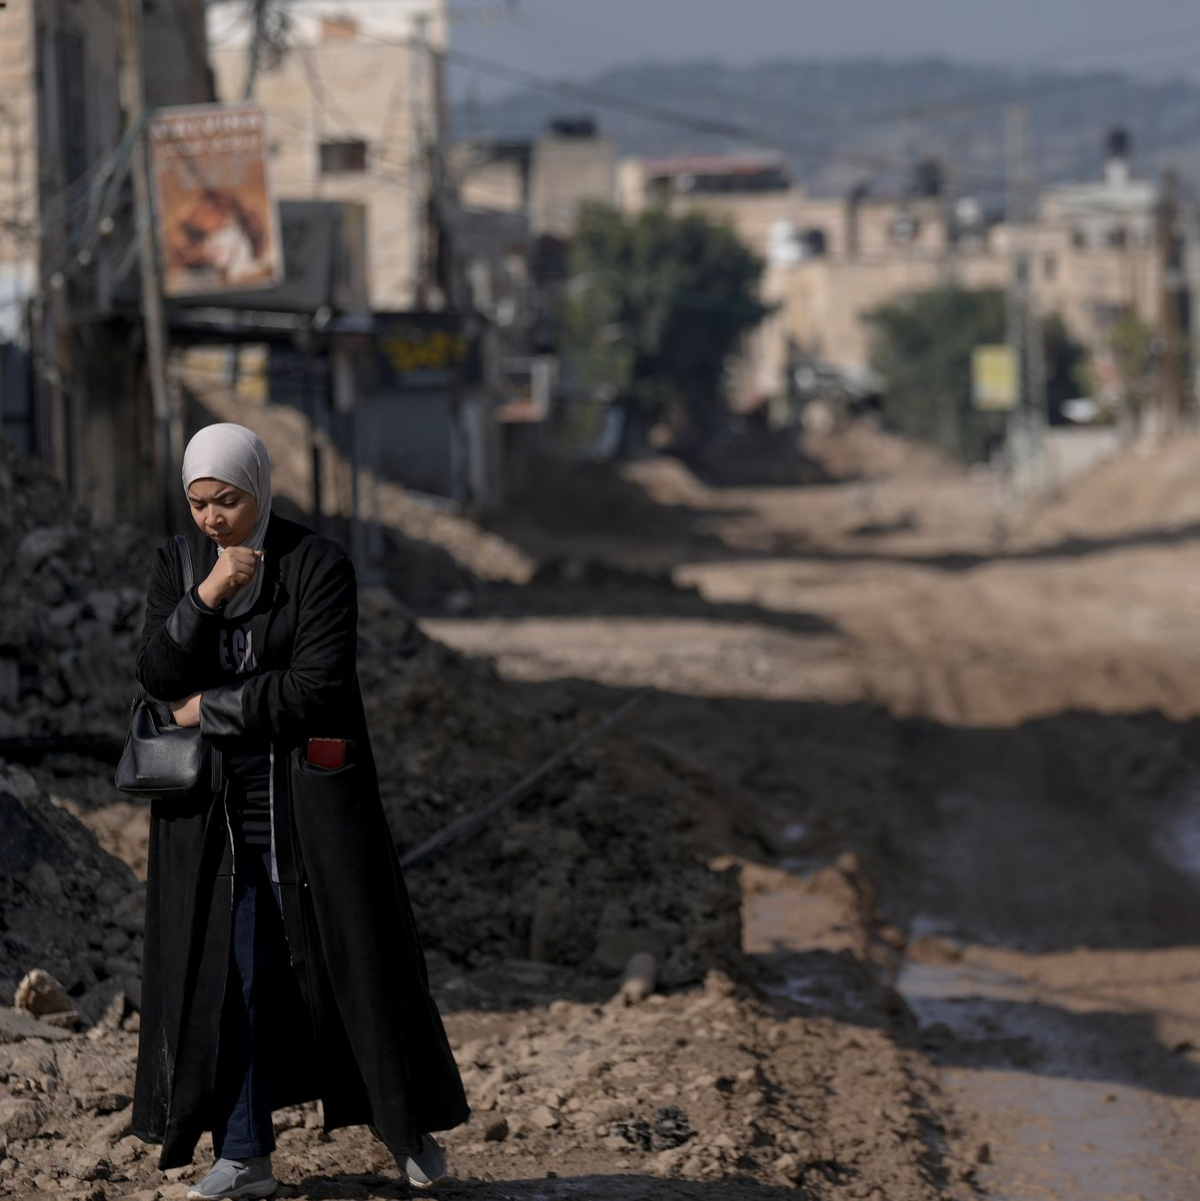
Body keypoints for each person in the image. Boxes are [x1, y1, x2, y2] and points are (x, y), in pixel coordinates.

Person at [130, 423, 469, 1199]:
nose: (213, 518)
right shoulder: (179, 565)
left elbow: (315, 688)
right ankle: (244, 1152)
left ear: (260, 487)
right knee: (233, 981)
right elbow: (154, 670)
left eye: (229, 501)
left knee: (356, 963)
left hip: (310, 808)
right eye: (199, 503)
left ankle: (406, 1132)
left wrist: (204, 708)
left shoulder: (317, 565)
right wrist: (209, 594)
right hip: (212, 817)